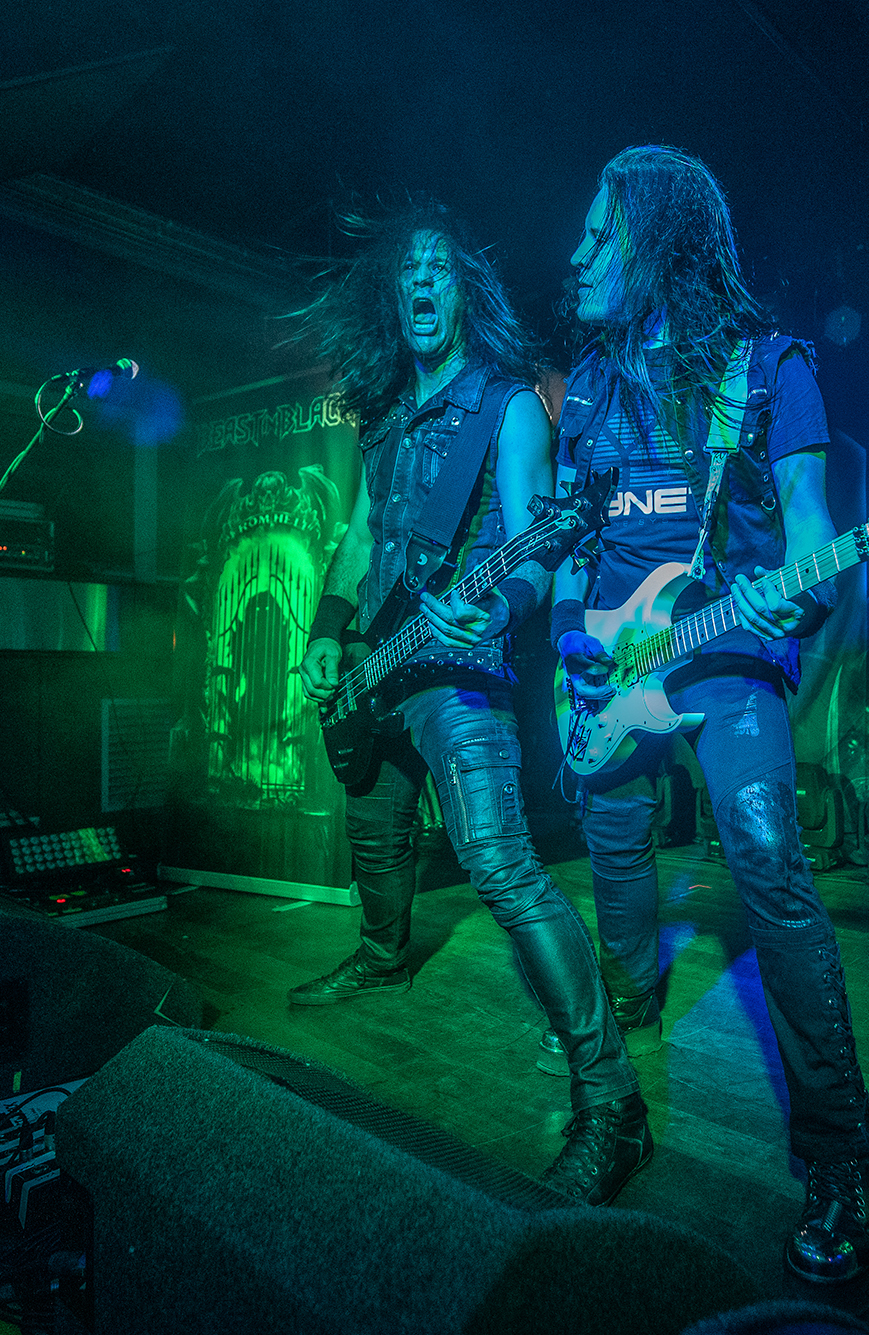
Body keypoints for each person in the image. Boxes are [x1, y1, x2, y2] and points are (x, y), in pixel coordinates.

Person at [549, 148, 869, 1281]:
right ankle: (617, 1060)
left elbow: (810, 526)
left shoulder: (766, 367)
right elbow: (575, 545)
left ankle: (842, 1156)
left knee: (766, 855)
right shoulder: (589, 385)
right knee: (612, 855)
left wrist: (802, 585)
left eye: (599, 234)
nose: (577, 254)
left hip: (724, 648)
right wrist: (574, 638)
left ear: (654, 241)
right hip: (611, 668)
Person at [289, 203, 648, 1206]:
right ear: (390, 294)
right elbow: (362, 536)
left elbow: (539, 547)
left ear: (463, 292)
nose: (420, 281)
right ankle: (380, 956)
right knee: (374, 832)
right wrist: (327, 632)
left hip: (458, 669)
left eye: (438, 269)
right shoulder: (384, 416)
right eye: (406, 270)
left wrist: (493, 611)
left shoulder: (509, 406)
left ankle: (612, 1102)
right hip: (378, 665)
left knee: (500, 865)